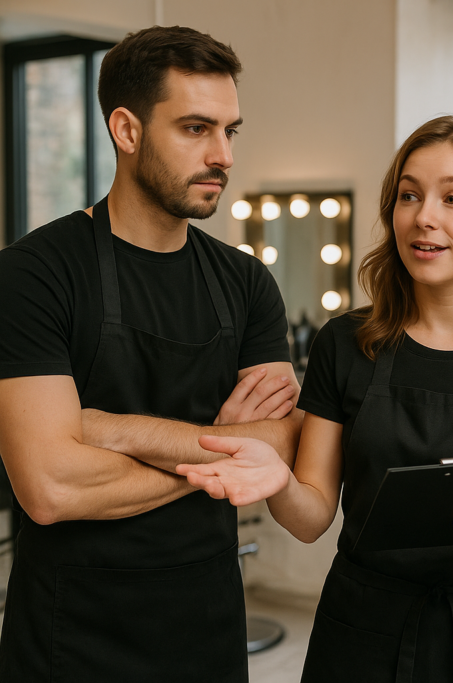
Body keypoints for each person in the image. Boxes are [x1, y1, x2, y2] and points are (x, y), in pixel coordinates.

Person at [178, 115, 453, 683]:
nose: (424, 216)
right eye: (408, 195)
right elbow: (311, 519)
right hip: (362, 633)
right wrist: (276, 476)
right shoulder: (345, 344)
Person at [0, 26, 302, 682]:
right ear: (127, 130)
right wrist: (222, 449)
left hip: (208, 625)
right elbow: (50, 486)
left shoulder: (247, 284)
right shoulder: (34, 274)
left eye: (231, 131)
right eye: (196, 128)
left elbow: (278, 442)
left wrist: (104, 430)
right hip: (72, 636)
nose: (222, 154)